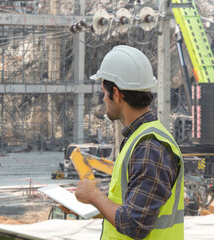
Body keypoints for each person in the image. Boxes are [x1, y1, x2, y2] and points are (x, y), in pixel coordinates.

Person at [74, 45, 184, 239]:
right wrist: (86, 206)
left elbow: (135, 224)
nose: (103, 99)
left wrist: (94, 196)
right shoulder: (139, 139)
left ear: (116, 94)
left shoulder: (149, 147)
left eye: (103, 92)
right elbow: (132, 210)